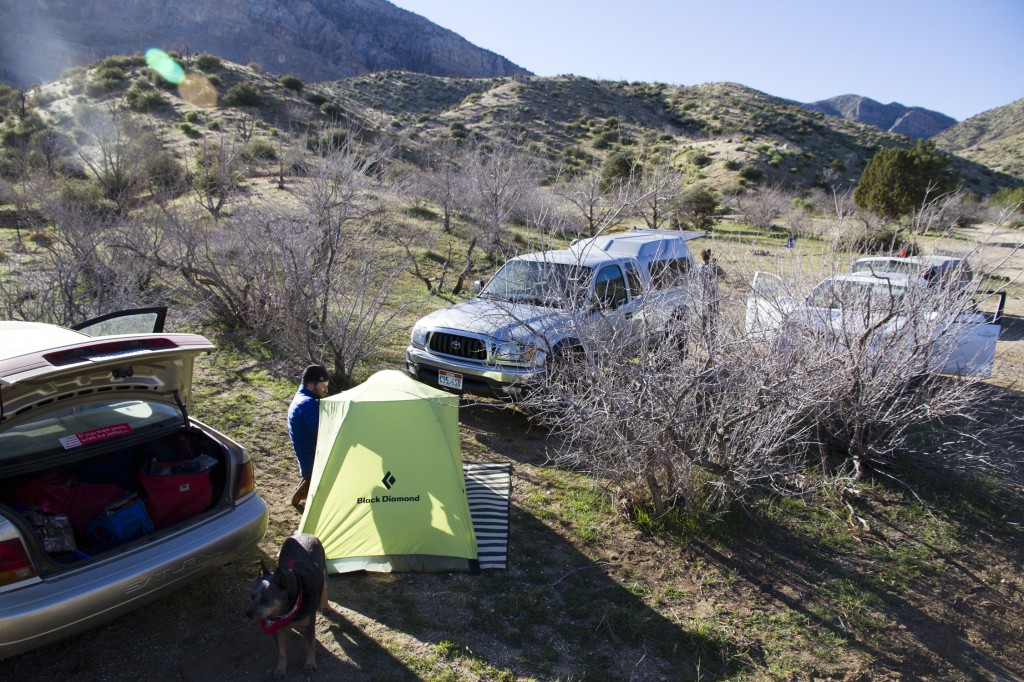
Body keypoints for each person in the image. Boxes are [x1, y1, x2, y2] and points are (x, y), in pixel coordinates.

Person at [287, 364, 330, 509]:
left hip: (307, 458)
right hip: (312, 460)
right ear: (311, 384)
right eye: (323, 386)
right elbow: (324, 432)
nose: (326, 390)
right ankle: (310, 485)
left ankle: (307, 485)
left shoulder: (301, 398)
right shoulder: (307, 405)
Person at [697, 248, 723, 354]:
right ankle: (713, 344)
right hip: (714, 296)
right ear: (710, 256)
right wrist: (716, 264)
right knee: (713, 322)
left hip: (703, 297)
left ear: (701, 256)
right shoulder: (714, 267)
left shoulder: (699, 268)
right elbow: (724, 275)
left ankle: (703, 342)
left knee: (703, 321)